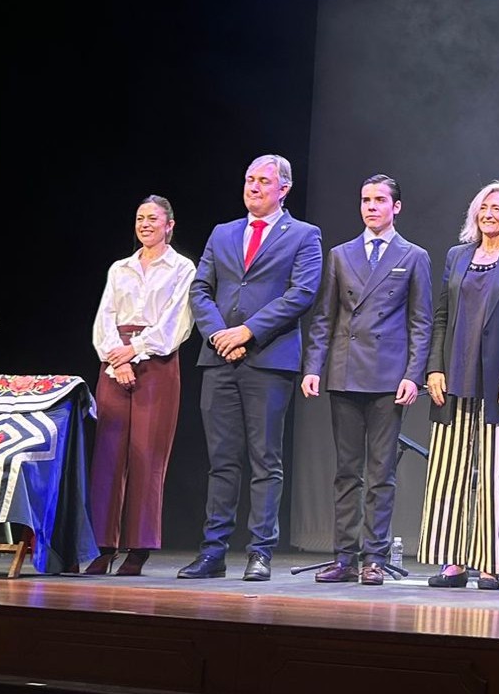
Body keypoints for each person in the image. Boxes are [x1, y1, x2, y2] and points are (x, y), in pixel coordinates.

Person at [180, 154, 323, 581]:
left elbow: (302, 293)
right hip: (219, 358)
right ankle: (213, 552)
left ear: (284, 189)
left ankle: (260, 551)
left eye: (264, 180)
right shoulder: (223, 233)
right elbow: (201, 288)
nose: (254, 186)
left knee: (265, 460)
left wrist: (247, 332)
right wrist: (219, 333)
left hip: (268, 359)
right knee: (222, 461)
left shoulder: (303, 234)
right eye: (249, 179)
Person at [300, 174, 433, 586]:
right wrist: (313, 366)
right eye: (365, 200)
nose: (371, 206)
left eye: (379, 200)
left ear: (396, 207)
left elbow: (422, 322)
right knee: (346, 471)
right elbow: (324, 317)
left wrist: (414, 375)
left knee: (381, 473)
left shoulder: (413, 256)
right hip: (343, 373)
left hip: (389, 378)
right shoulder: (340, 255)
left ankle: (374, 556)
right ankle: (344, 556)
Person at [422, 180, 499, 590]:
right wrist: (433, 368)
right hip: (454, 378)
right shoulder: (457, 256)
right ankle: (452, 561)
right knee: (448, 472)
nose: (490, 214)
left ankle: (492, 563)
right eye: (484, 207)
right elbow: (440, 317)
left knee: (498, 474)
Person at [85, 195, 195, 576]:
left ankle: (139, 547)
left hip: (156, 362)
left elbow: (175, 323)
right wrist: (116, 357)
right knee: (109, 454)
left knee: (148, 455)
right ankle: (103, 544)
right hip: (114, 362)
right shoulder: (121, 268)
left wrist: (135, 352)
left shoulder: (182, 268)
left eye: (153, 218)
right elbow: (104, 318)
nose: (145, 224)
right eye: (140, 218)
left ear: (170, 225)